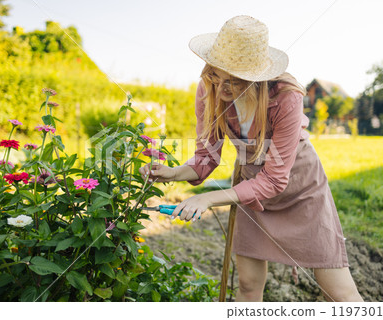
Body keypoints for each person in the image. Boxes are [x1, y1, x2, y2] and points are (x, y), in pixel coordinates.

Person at [139, 15, 363, 302]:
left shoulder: (286, 97)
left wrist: (207, 199)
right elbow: (206, 158)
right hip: (249, 191)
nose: (221, 89)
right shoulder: (208, 89)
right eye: (215, 75)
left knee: (338, 292)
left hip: (300, 188)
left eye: (232, 81)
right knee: (247, 284)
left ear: (257, 78)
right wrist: (174, 173)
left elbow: (274, 179)